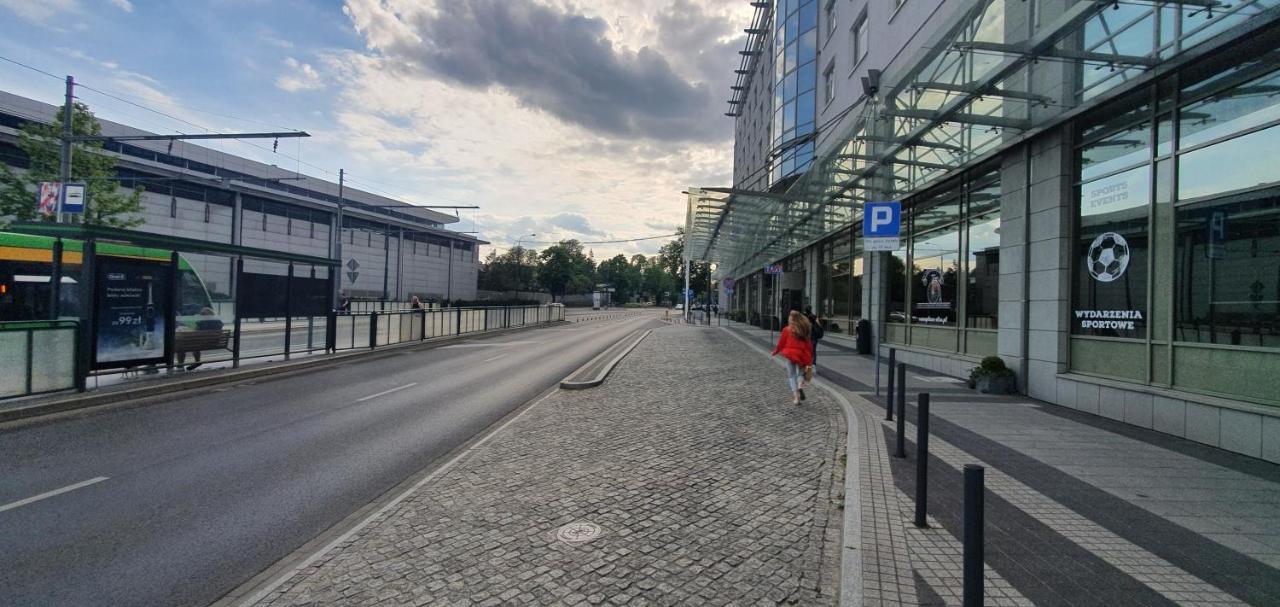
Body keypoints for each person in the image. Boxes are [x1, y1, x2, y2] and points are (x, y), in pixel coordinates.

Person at [771, 310, 814, 406]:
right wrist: (810, 356)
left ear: (791, 319)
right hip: (802, 355)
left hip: (790, 355)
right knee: (801, 373)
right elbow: (809, 345)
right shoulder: (804, 329)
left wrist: (775, 351)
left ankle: (796, 397)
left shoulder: (787, 329)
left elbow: (781, 343)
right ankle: (800, 385)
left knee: (792, 375)